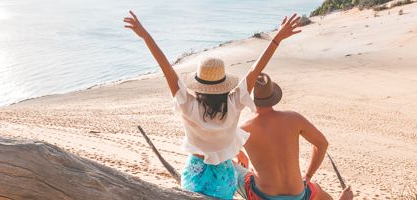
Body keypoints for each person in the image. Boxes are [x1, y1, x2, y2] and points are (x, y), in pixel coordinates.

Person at [123, 11, 302, 199]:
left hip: (195, 173)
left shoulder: (187, 104)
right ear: (224, 84)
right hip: (224, 176)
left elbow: (165, 66)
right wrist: (277, 38)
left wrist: (145, 35)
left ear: (199, 84)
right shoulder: (234, 102)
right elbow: (255, 69)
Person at [240, 74, 354, 200]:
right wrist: (308, 175)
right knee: (316, 189)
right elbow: (322, 144)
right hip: (298, 195)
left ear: (249, 99)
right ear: (272, 96)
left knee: (239, 174)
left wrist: (240, 154)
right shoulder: (293, 118)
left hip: (263, 196)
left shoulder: (244, 128)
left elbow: (223, 153)